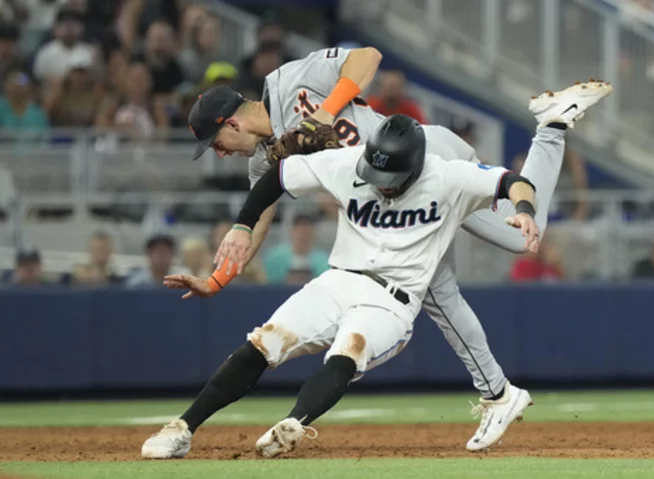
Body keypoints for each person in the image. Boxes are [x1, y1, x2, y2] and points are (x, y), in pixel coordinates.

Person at [184, 47, 611, 451]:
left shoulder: (283, 84)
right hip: (387, 199)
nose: (221, 155)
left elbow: (367, 58)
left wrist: (326, 112)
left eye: (217, 145)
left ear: (231, 124)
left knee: (446, 286)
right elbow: (257, 219)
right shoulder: (263, 161)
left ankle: (499, 395)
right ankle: (552, 126)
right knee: (493, 255)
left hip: (422, 163)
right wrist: (218, 278)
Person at [141, 114, 541, 459]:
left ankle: (294, 424)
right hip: (336, 282)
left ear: (416, 166)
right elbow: (276, 177)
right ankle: (182, 428)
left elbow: (513, 181)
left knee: (347, 353)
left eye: (391, 177)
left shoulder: (448, 175)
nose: (382, 184)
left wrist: (523, 211)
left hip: (392, 301)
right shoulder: (349, 162)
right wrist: (243, 225)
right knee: (264, 342)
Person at [263, 214, 329, 285]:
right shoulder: (275, 257)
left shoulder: (324, 261)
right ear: (292, 232)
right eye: (300, 232)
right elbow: (267, 281)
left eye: (307, 233)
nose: (303, 236)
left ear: (314, 233)